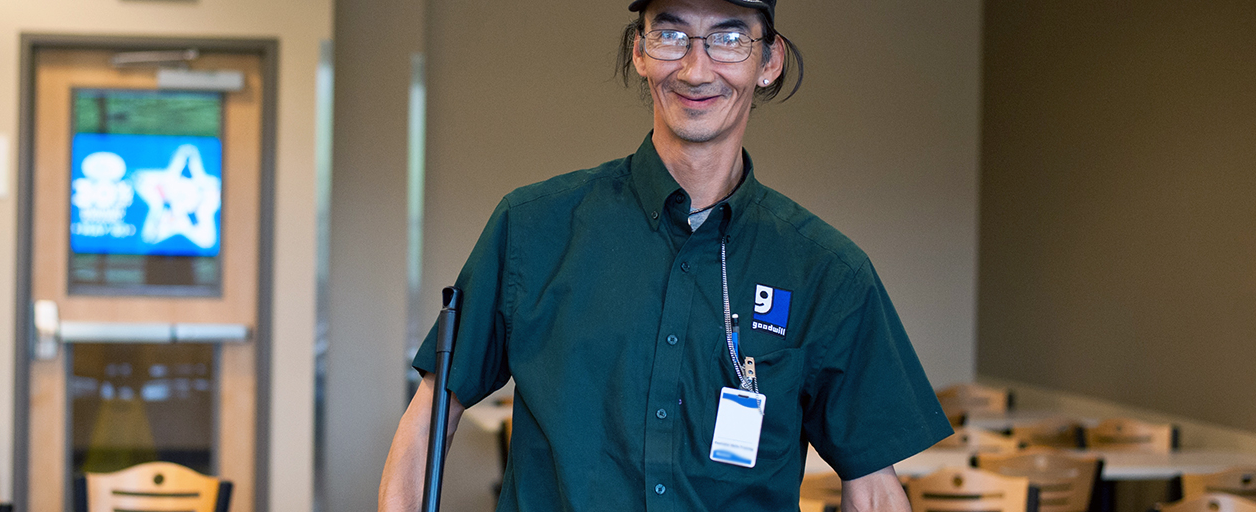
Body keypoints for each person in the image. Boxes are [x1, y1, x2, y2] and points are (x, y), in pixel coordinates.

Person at [379, 0, 953, 509]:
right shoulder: (532, 229)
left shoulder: (829, 274)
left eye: (729, 37)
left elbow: (874, 491)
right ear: (640, 52)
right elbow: (431, 413)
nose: (696, 69)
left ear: (769, 60)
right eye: (671, 34)